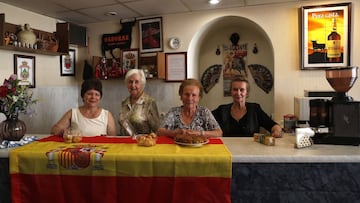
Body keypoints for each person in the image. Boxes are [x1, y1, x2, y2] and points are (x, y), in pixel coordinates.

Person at [212, 76, 282, 137]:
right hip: (226, 150)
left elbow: (273, 125)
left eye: (242, 90)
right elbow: (205, 120)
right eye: (235, 89)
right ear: (231, 91)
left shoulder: (255, 109)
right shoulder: (222, 110)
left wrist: (277, 131)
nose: (238, 93)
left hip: (250, 150)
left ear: (247, 92)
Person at [156, 79, 222, 138]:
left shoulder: (204, 112)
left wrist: (199, 133)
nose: (190, 98)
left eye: (194, 95)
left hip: (200, 149)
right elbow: (159, 131)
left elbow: (219, 133)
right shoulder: (173, 112)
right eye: (186, 94)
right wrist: (173, 133)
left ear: (199, 97)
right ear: (181, 96)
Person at [51, 78, 117, 136]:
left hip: (102, 149)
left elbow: (113, 139)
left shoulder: (107, 115)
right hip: (77, 149)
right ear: (83, 96)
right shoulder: (73, 113)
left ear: (100, 97)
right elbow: (54, 130)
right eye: (89, 94)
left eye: (97, 94)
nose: (93, 97)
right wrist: (63, 132)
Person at [119, 69, 160, 136]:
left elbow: (157, 130)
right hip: (124, 144)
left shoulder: (149, 102)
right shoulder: (124, 102)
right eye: (130, 82)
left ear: (142, 84)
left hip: (142, 144)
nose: (133, 85)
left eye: (137, 82)